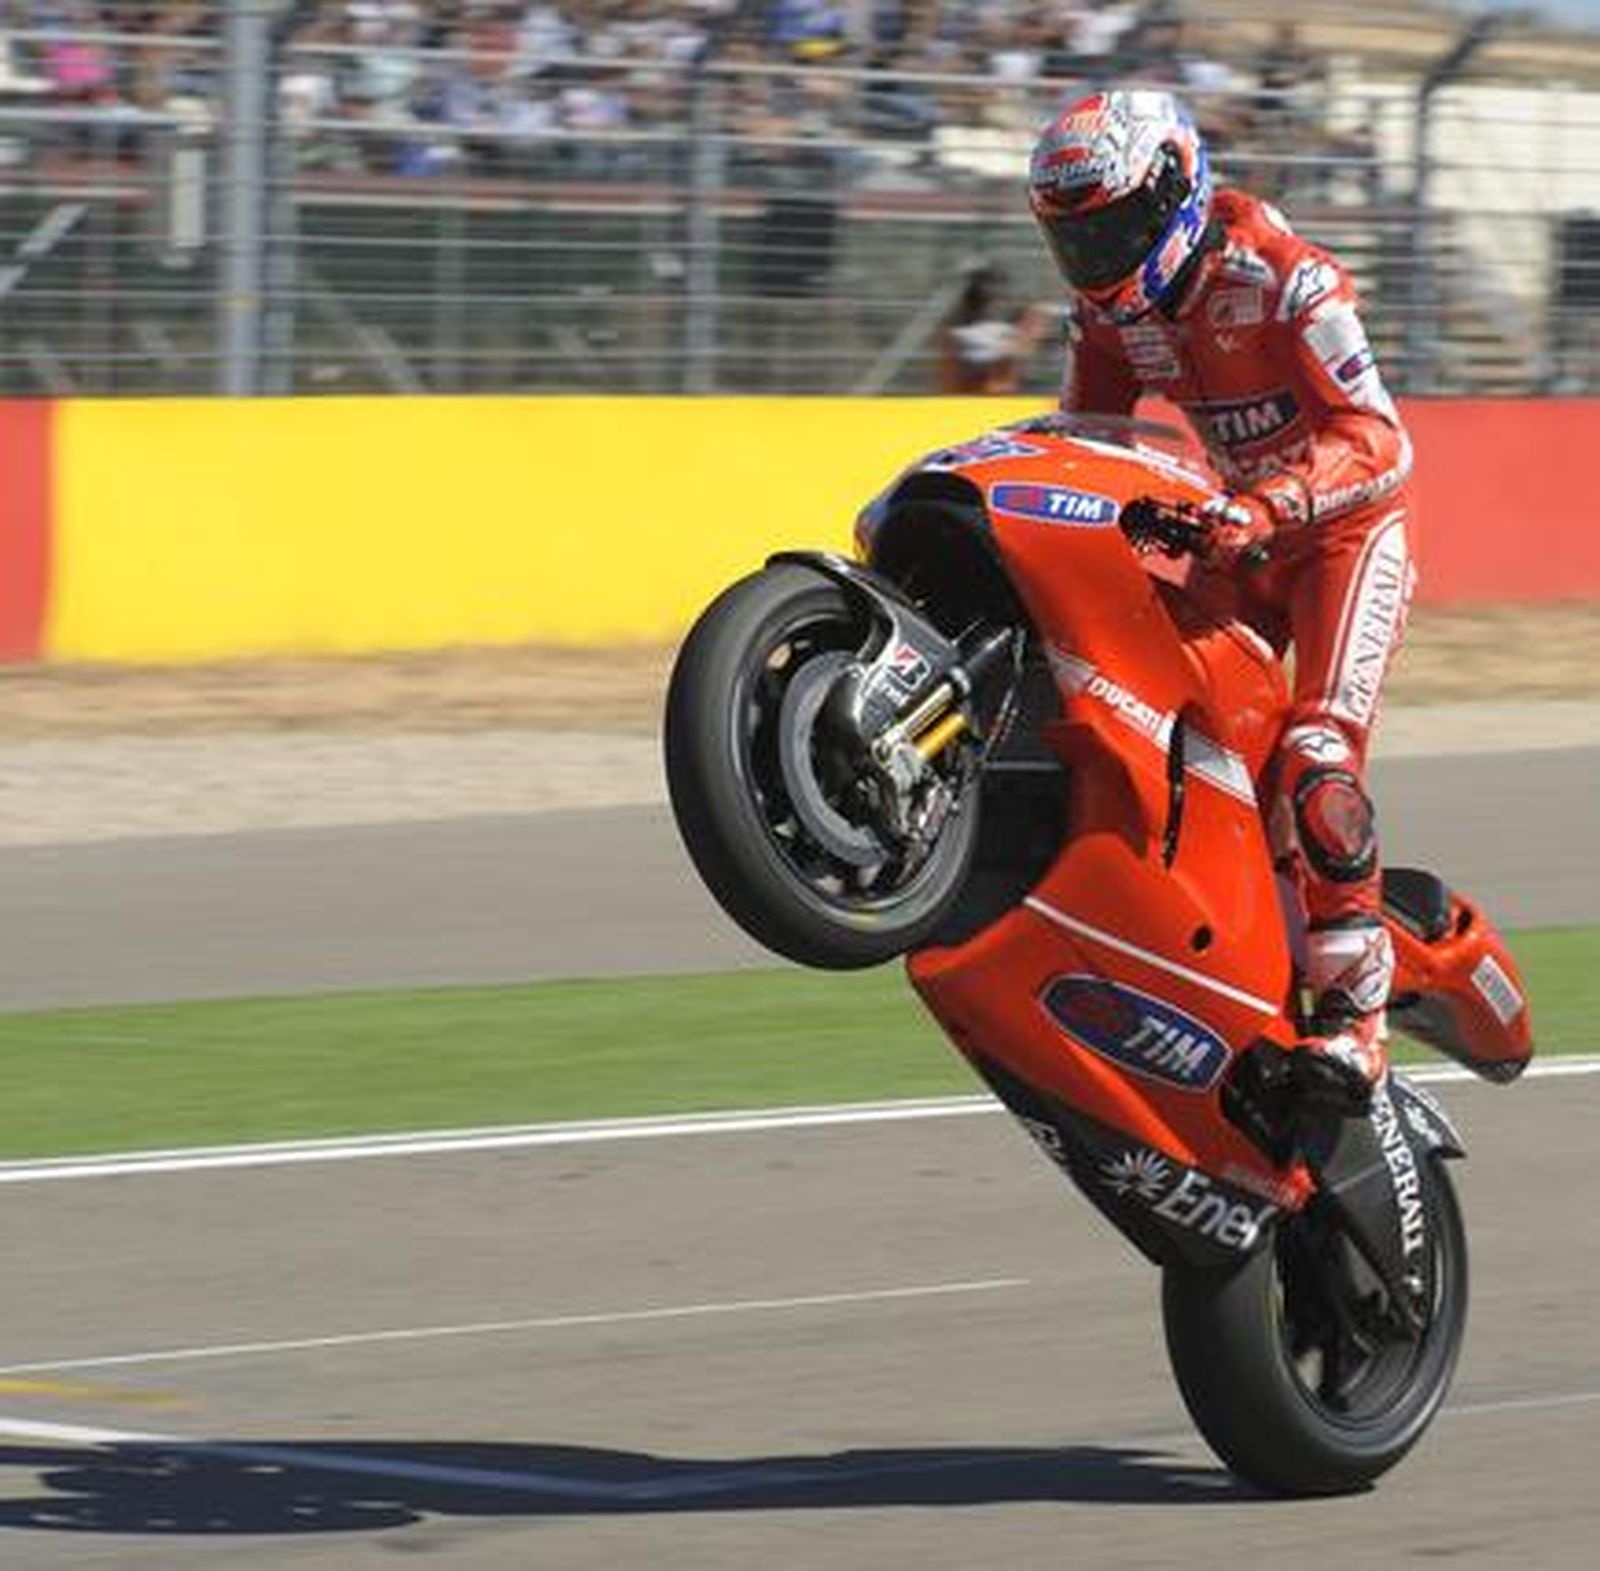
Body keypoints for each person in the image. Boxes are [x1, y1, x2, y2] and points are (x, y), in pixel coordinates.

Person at [1028, 88, 1415, 1114]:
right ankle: (1248, 963)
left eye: (1113, 227)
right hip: (1232, 539)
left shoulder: (1289, 277)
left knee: (1315, 753)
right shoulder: (1111, 320)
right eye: (1076, 237)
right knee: (1185, 747)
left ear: (1174, 191)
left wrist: (1272, 499)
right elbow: (1090, 443)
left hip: (1337, 537)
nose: (1097, 255)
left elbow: (1381, 440)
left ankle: (1356, 1026)